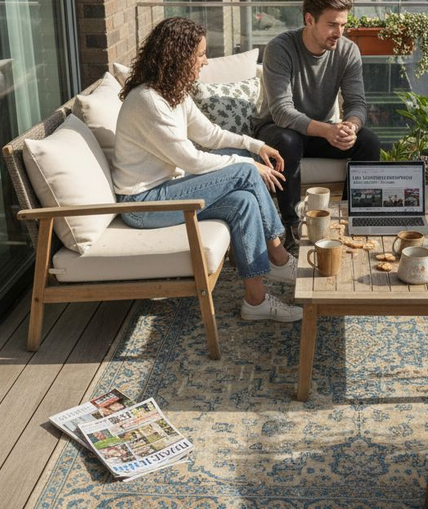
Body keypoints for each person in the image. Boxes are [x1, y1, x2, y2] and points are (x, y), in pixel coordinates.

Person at [114, 17, 302, 322]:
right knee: (243, 172)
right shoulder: (148, 101)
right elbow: (193, 160)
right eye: (200, 54)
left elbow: (210, 135)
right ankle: (279, 257)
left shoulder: (172, 93)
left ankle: (255, 302)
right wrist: (247, 164)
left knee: (243, 201)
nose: (206, 61)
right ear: (178, 55)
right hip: (142, 204)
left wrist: (254, 147)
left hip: (167, 189)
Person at [252, 0, 381, 244]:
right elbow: (281, 112)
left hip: (321, 130)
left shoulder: (347, 51)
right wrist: (328, 131)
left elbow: (357, 104)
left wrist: (351, 128)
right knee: (289, 141)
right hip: (275, 130)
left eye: (343, 24)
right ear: (309, 20)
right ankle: (289, 226)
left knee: (369, 142)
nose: (339, 32)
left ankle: (350, 217)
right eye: (332, 24)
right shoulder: (280, 48)